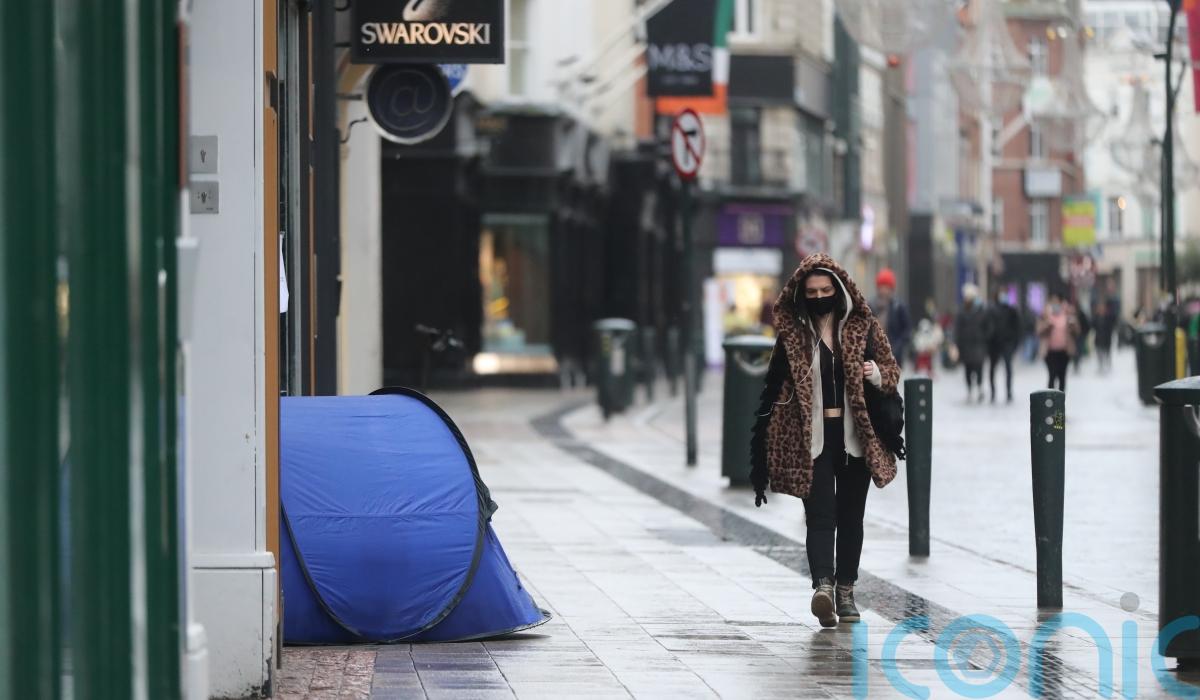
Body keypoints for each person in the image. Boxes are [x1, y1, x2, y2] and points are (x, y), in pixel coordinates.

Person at [748, 254, 901, 629]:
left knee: (851, 518)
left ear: (839, 289)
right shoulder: (794, 336)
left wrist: (876, 374)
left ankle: (846, 591)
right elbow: (774, 390)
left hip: (855, 438)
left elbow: (893, 371)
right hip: (813, 441)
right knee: (819, 517)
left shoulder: (863, 327)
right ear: (802, 294)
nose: (819, 297)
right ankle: (823, 588)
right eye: (812, 292)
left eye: (825, 290)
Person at [955, 284, 990, 403]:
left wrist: (985, 337)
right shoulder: (962, 312)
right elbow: (958, 329)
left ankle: (979, 388)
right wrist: (957, 344)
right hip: (966, 346)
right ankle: (970, 390)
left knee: (979, 368)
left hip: (979, 345)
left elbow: (988, 326)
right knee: (968, 369)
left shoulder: (981, 310)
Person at [1038, 293, 1080, 392]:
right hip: (1050, 351)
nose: (1055, 304)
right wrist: (1047, 326)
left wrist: (1072, 324)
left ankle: (1061, 398)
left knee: (1062, 375)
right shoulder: (1045, 314)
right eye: (1053, 301)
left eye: (1057, 301)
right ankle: (1050, 398)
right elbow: (1038, 331)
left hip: (1064, 351)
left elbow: (1077, 331)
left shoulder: (1067, 314)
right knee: (1052, 375)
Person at [985, 290, 1020, 403]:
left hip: (1007, 343)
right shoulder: (991, 310)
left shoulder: (1011, 311)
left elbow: (1018, 328)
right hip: (994, 344)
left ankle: (1008, 392)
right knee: (993, 368)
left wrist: (1014, 344)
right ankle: (993, 392)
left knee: (1008, 368)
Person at [873, 268, 912, 368]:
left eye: (887, 287)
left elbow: (907, 330)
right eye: (881, 286)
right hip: (875, 356)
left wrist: (898, 347)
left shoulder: (899, 307)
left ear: (891, 288)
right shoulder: (871, 305)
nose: (884, 290)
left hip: (894, 357)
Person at [1092, 299, 1117, 373]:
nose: (1101, 309)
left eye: (1102, 308)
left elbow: (1114, 321)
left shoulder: (1109, 316)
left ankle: (1107, 367)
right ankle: (1101, 367)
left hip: (1107, 339)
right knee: (1099, 354)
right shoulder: (1096, 317)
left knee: (1107, 353)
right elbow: (1092, 325)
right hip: (1098, 339)